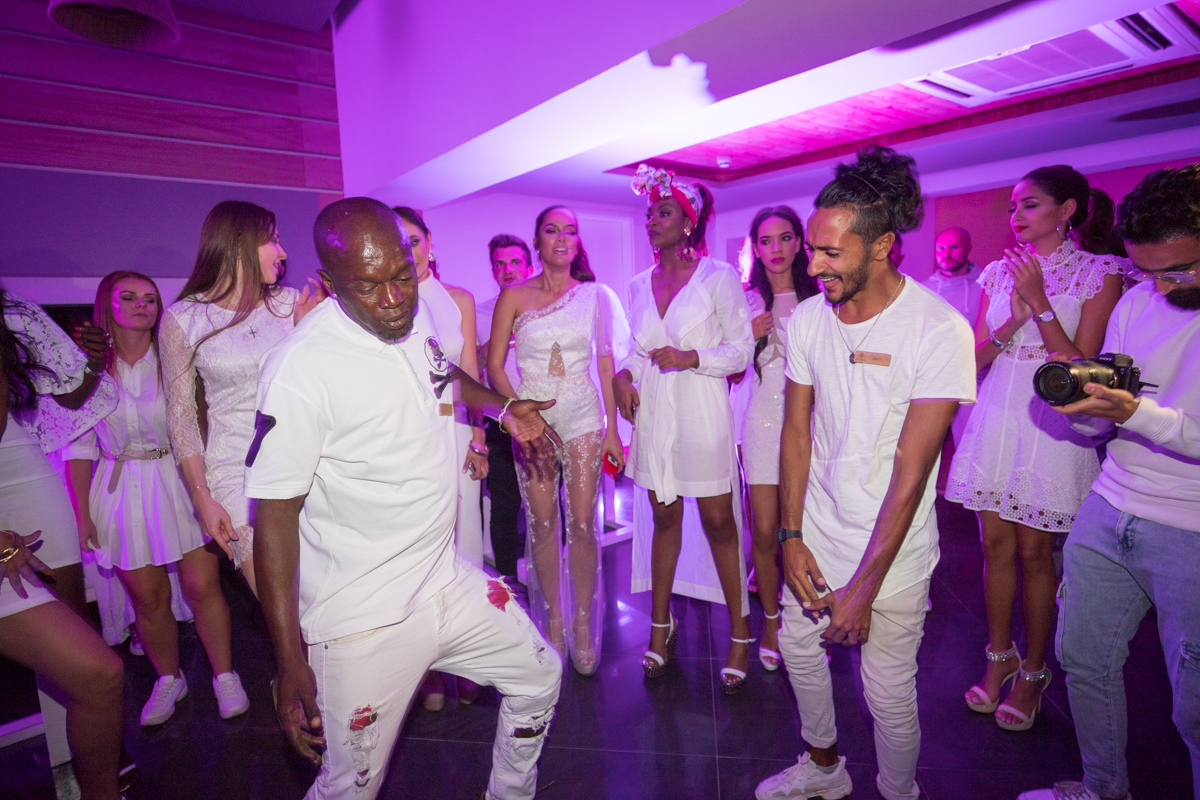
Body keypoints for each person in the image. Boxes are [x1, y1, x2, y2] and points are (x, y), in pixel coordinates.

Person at [249, 197, 563, 800]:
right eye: (370, 287)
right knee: (350, 787)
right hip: (362, 617)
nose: (394, 298)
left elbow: (441, 370)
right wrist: (287, 660)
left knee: (539, 676)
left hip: (444, 579)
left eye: (402, 276)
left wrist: (502, 409)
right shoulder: (300, 369)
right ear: (330, 282)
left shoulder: (408, 315)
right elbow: (274, 517)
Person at [756, 146, 976, 800]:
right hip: (817, 533)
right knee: (800, 650)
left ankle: (898, 792)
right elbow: (797, 432)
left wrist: (864, 588)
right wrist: (790, 536)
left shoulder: (938, 330)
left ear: (881, 247)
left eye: (830, 252)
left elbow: (913, 469)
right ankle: (825, 768)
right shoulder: (808, 320)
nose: (811, 265)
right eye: (811, 249)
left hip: (892, 551)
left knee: (887, 694)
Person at [1019, 164, 1200, 800]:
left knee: (1194, 707)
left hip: (1191, 527)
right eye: (1148, 271)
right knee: (1083, 660)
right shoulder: (1137, 300)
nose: (1161, 286)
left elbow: (1151, 417)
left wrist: (1135, 413)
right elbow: (1108, 423)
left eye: (1178, 271)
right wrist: (1086, 411)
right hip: (1111, 503)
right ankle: (1102, 790)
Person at [945, 166, 1126, 732]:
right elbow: (971, 361)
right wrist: (1011, 323)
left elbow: (1082, 368)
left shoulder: (1100, 273)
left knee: (1035, 552)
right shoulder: (998, 271)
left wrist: (1040, 303)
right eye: (1013, 206)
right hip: (997, 414)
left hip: (1053, 421)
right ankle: (998, 657)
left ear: (1066, 210)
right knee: (993, 545)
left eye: (1030, 204)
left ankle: (1034, 670)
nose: (1016, 216)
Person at [64, 271, 247, 726]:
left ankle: (225, 675)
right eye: (128, 297)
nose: (142, 305)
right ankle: (169, 677)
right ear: (107, 305)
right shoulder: (90, 371)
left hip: (179, 479)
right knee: (147, 598)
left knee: (202, 586)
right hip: (120, 485)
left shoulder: (174, 359)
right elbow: (79, 449)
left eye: (149, 298)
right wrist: (82, 515)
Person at [614, 165, 756, 693]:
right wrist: (622, 375)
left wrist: (691, 356)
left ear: (689, 222)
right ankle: (660, 624)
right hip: (655, 413)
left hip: (701, 408)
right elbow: (636, 350)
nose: (653, 220)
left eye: (665, 212)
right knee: (663, 517)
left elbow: (741, 350)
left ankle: (740, 631)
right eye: (650, 213)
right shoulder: (637, 285)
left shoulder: (718, 277)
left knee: (720, 520)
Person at [486, 206, 624, 676]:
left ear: (577, 241)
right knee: (543, 524)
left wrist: (613, 430)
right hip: (532, 425)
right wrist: (518, 413)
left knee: (582, 524)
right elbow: (494, 366)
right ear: (537, 241)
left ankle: (583, 624)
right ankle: (555, 624)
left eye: (570, 231)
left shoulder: (593, 295)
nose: (562, 238)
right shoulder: (514, 295)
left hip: (584, 418)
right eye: (552, 231)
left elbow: (604, 363)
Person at [160, 200, 323, 597]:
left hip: (306, 461)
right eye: (273, 241)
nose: (283, 252)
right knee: (282, 606)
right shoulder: (184, 319)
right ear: (238, 245)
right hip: (237, 474)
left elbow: (319, 387)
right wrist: (201, 497)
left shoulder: (292, 305)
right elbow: (181, 417)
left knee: (326, 602)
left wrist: (308, 336)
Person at [1, 286, 125, 800]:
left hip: (21, 469)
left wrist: (93, 363)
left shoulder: (12, 313)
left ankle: (89, 766)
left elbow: (69, 393)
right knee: (97, 670)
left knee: (88, 658)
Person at [393, 207, 487, 709]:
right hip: (407, 439)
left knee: (465, 544)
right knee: (420, 549)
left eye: (414, 239)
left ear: (430, 241)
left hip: (455, 431)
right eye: (397, 241)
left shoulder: (458, 299)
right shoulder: (386, 300)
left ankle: (468, 657)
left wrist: (479, 437)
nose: (408, 249)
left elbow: (469, 370)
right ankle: (427, 670)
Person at [729, 205, 817, 672]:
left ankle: (808, 613)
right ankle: (770, 620)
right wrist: (746, 337)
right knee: (764, 529)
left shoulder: (820, 298)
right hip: (761, 420)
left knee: (803, 527)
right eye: (765, 240)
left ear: (800, 243)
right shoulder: (744, 303)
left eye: (785, 238)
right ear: (756, 249)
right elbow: (730, 372)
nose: (776, 248)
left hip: (812, 424)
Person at [477, 234, 535, 581]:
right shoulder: (480, 313)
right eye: (499, 264)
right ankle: (507, 586)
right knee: (504, 506)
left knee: (549, 504)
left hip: (542, 418)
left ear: (529, 266)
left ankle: (550, 580)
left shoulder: (544, 309)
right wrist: (487, 349)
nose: (507, 269)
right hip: (499, 422)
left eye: (514, 262)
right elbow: (468, 371)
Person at [922, 226, 982, 490]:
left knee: (974, 450)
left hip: (973, 381)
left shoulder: (984, 287)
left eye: (954, 247)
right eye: (941, 248)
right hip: (932, 384)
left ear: (969, 249)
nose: (945, 253)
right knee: (923, 451)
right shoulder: (923, 290)